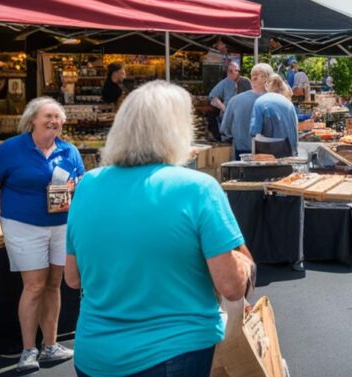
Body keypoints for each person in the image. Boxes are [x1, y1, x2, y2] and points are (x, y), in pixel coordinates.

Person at [65, 81, 253, 377]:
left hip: (94, 354)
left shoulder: (87, 185)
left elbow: (72, 278)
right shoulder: (197, 188)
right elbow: (231, 287)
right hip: (174, 352)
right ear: (177, 131)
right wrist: (244, 263)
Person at [0, 97, 82, 370]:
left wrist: (76, 187)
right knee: (34, 285)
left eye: (58, 117)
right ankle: (28, 350)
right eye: (48, 116)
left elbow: (81, 184)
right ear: (32, 119)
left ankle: (50, 345)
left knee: (53, 284)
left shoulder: (69, 151)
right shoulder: (11, 149)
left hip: (61, 224)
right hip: (23, 225)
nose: (53, 121)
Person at [221, 63, 270, 160]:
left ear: (252, 79)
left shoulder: (234, 101)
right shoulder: (276, 101)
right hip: (269, 153)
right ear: (269, 80)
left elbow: (224, 129)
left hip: (241, 152)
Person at [249, 74, 299, 156]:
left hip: (267, 153)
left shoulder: (260, 102)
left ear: (266, 86)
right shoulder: (289, 104)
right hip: (288, 152)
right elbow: (295, 129)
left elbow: (254, 132)